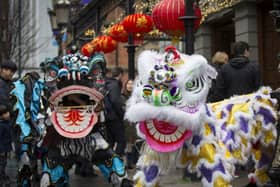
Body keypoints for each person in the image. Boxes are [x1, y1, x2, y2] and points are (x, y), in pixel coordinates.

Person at [104, 67, 126, 157]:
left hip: (107, 116)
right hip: (114, 117)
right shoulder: (115, 85)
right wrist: (121, 114)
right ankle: (116, 162)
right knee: (122, 141)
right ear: (120, 75)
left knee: (110, 141)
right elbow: (115, 101)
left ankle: (108, 162)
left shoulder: (107, 83)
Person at [122, 79, 140, 169]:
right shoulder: (122, 96)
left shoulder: (137, 97)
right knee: (129, 143)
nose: (130, 86)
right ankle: (129, 163)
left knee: (136, 142)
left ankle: (135, 161)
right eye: (128, 84)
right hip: (127, 123)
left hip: (136, 121)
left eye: (132, 84)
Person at [0, 105, 13, 186]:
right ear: (1, 116)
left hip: (5, 148)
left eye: (8, 112)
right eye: (5, 113)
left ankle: (3, 176)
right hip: (2, 149)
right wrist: (1, 151)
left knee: (4, 163)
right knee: (2, 164)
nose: (8, 114)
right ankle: (2, 179)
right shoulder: (1, 125)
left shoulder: (7, 123)